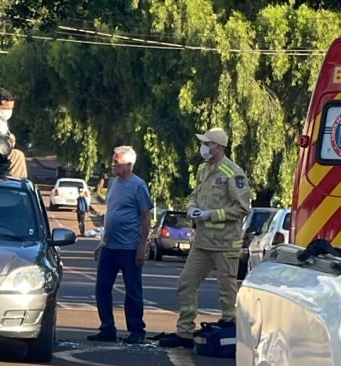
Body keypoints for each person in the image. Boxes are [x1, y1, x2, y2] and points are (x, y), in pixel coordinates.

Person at [158, 127, 251, 348]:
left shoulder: (233, 173)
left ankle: (229, 328)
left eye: (207, 144)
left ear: (218, 146)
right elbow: (194, 195)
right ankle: (185, 333)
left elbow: (242, 208)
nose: (203, 148)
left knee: (226, 289)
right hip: (202, 241)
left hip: (225, 242)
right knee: (186, 283)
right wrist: (191, 208)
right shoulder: (202, 169)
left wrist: (211, 214)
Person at [87, 145, 153, 344]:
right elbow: (111, 216)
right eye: (113, 160)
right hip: (110, 247)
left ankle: (136, 330)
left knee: (132, 290)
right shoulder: (114, 183)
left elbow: (145, 216)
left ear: (129, 164)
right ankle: (107, 328)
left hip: (130, 248)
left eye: (117, 161)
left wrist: (142, 245)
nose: (113, 164)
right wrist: (102, 243)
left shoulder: (138, 185)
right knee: (102, 288)